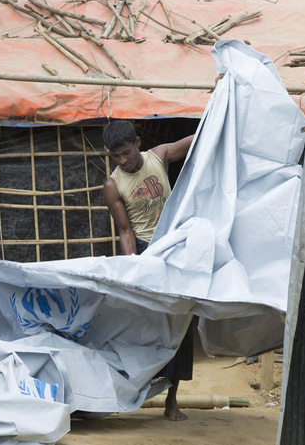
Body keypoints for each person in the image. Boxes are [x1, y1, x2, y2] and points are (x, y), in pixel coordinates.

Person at [101, 120, 194, 421]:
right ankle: (135, 391)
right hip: (145, 251)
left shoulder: (160, 156)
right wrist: (133, 270)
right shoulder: (113, 185)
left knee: (180, 325)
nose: (123, 161)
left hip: (174, 249)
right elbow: (125, 229)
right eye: (116, 157)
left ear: (138, 143)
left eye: (127, 153)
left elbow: (201, 137)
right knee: (147, 325)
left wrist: (222, 105)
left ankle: (172, 400)